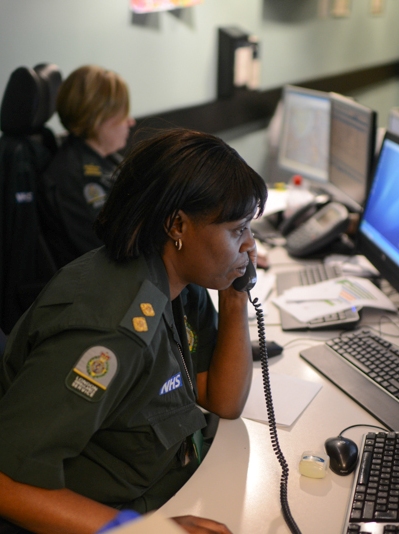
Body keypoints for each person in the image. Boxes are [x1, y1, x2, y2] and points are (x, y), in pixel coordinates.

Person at [0, 128, 268, 534]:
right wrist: (147, 532)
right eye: (237, 230)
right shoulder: (108, 331)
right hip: (115, 514)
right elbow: (9, 485)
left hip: (173, 481)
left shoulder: (177, 278)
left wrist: (236, 295)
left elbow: (221, 398)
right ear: (177, 226)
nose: (250, 245)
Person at [39, 64, 136, 269]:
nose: (131, 121)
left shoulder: (103, 158)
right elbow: (109, 251)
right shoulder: (74, 177)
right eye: (123, 113)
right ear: (98, 118)